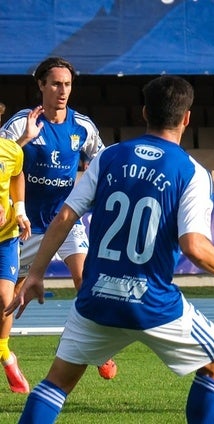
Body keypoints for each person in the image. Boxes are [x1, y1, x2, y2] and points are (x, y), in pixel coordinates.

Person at [4, 75, 214, 423]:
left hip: (96, 298)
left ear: (143, 113)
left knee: (55, 385)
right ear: (186, 118)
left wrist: (34, 274)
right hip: (151, 301)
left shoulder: (109, 157)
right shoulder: (191, 172)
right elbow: (194, 246)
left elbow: (64, 215)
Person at [0, 57, 117, 380]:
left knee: (84, 278)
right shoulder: (20, 124)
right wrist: (23, 139)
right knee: (9, 299)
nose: (62, 91)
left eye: (67, 84)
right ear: (41, 85)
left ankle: (95, 348)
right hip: (23, 225)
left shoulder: (82, 126)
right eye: (55, 84)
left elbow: (103, 161)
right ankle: (6, 354)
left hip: (65, 220)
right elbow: (2, 163)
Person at [0, 136, 32, 393]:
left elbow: (17, 175)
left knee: (5, 299)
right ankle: (6, 357)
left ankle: (4, 352)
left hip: (6, 237)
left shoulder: (11, 150)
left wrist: (19, 210)